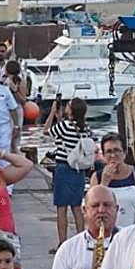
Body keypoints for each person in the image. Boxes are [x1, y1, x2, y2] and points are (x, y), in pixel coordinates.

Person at [44, 96, 91, 251]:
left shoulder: (64, 126)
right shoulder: (86, 129)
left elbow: (46, 131)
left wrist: (51, 113)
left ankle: (63, 244)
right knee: (76, 207)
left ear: (70, 110)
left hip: (63, 169)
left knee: (61, 208)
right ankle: (82, 240)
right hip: (79, 170)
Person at [91, 133, 135, 228]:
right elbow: (93, 207)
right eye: (109, 151)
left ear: (124, 153)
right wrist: (104, 183)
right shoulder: (97, 177)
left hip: (133, 230)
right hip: (107, 232)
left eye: (117, 150)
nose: (113, 155)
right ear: (104, 155)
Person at [2, 60, 27, 146]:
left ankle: (15, 150)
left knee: (15, 135)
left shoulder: (21, 81)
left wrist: (15, 90)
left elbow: (23, 100)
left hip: (17, 109)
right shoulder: (2, 80)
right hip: (4, 109)